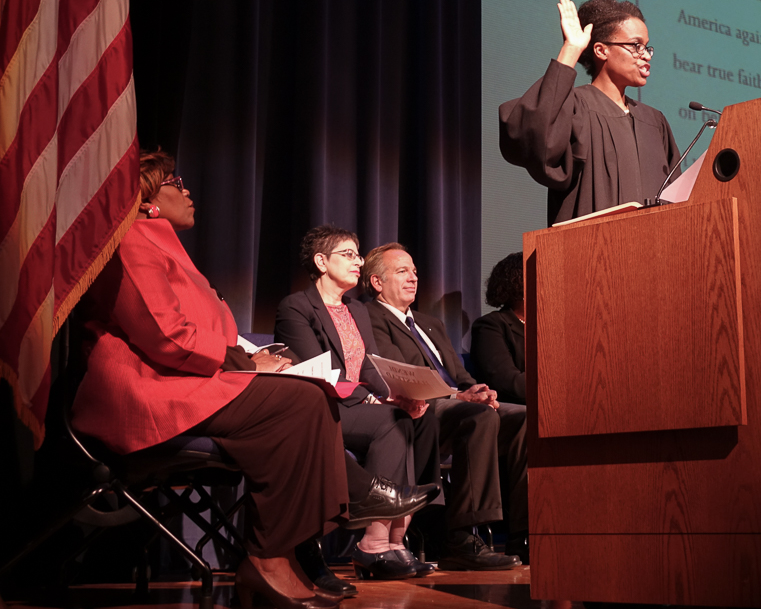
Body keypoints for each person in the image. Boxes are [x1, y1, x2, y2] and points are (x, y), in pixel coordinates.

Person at [72, 151, 356, 609]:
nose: (187, 191)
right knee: (300, 403)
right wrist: (243, 363)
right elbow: (163, 335)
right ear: (146, 198)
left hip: (189, 379)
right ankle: (267, 559)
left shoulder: (165, 245)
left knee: (310, 396)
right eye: (175, 182)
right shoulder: (132, 241)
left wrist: (253, 356)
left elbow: (203, 333)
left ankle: (284, 553)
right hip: (148, 389)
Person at [274, 225, 440, 581]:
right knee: (390, 421)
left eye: (358, 254)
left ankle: (395, 541)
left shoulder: (357, 310)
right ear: (321, 261)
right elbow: (315, 370)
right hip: (322, 409)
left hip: (358, 405)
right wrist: (375, 398)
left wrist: (397, 393)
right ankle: (373, 543)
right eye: (348, 255)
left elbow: (369, 363)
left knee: (418, 416)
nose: (359, 262)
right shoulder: (296, 307)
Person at [362, 243, 527, 568]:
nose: (413, 279)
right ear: (377, 282)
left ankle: (525, 533)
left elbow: (459, 375)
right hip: (415, 409)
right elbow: (396, 374)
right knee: (478, 417)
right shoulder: (370, 317)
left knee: (524, 419)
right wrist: (458, 397)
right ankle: (463, 536)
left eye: (415, 272)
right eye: (402, 272)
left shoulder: (429, 322)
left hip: (455, 404)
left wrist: (477, 390)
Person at [499, 0, 681, 225]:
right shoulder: (573, 107)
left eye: (647, 47)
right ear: (601, 50)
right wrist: (571, 49)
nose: (645, 55)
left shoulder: (654, 122)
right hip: (591, 253)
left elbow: (677, 198)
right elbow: (530, 136)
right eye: (635, 46)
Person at [470, 253, 526, 405]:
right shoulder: (490, 326)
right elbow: (508, 384)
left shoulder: (552, 328)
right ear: (519, 284)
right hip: (517, 408)